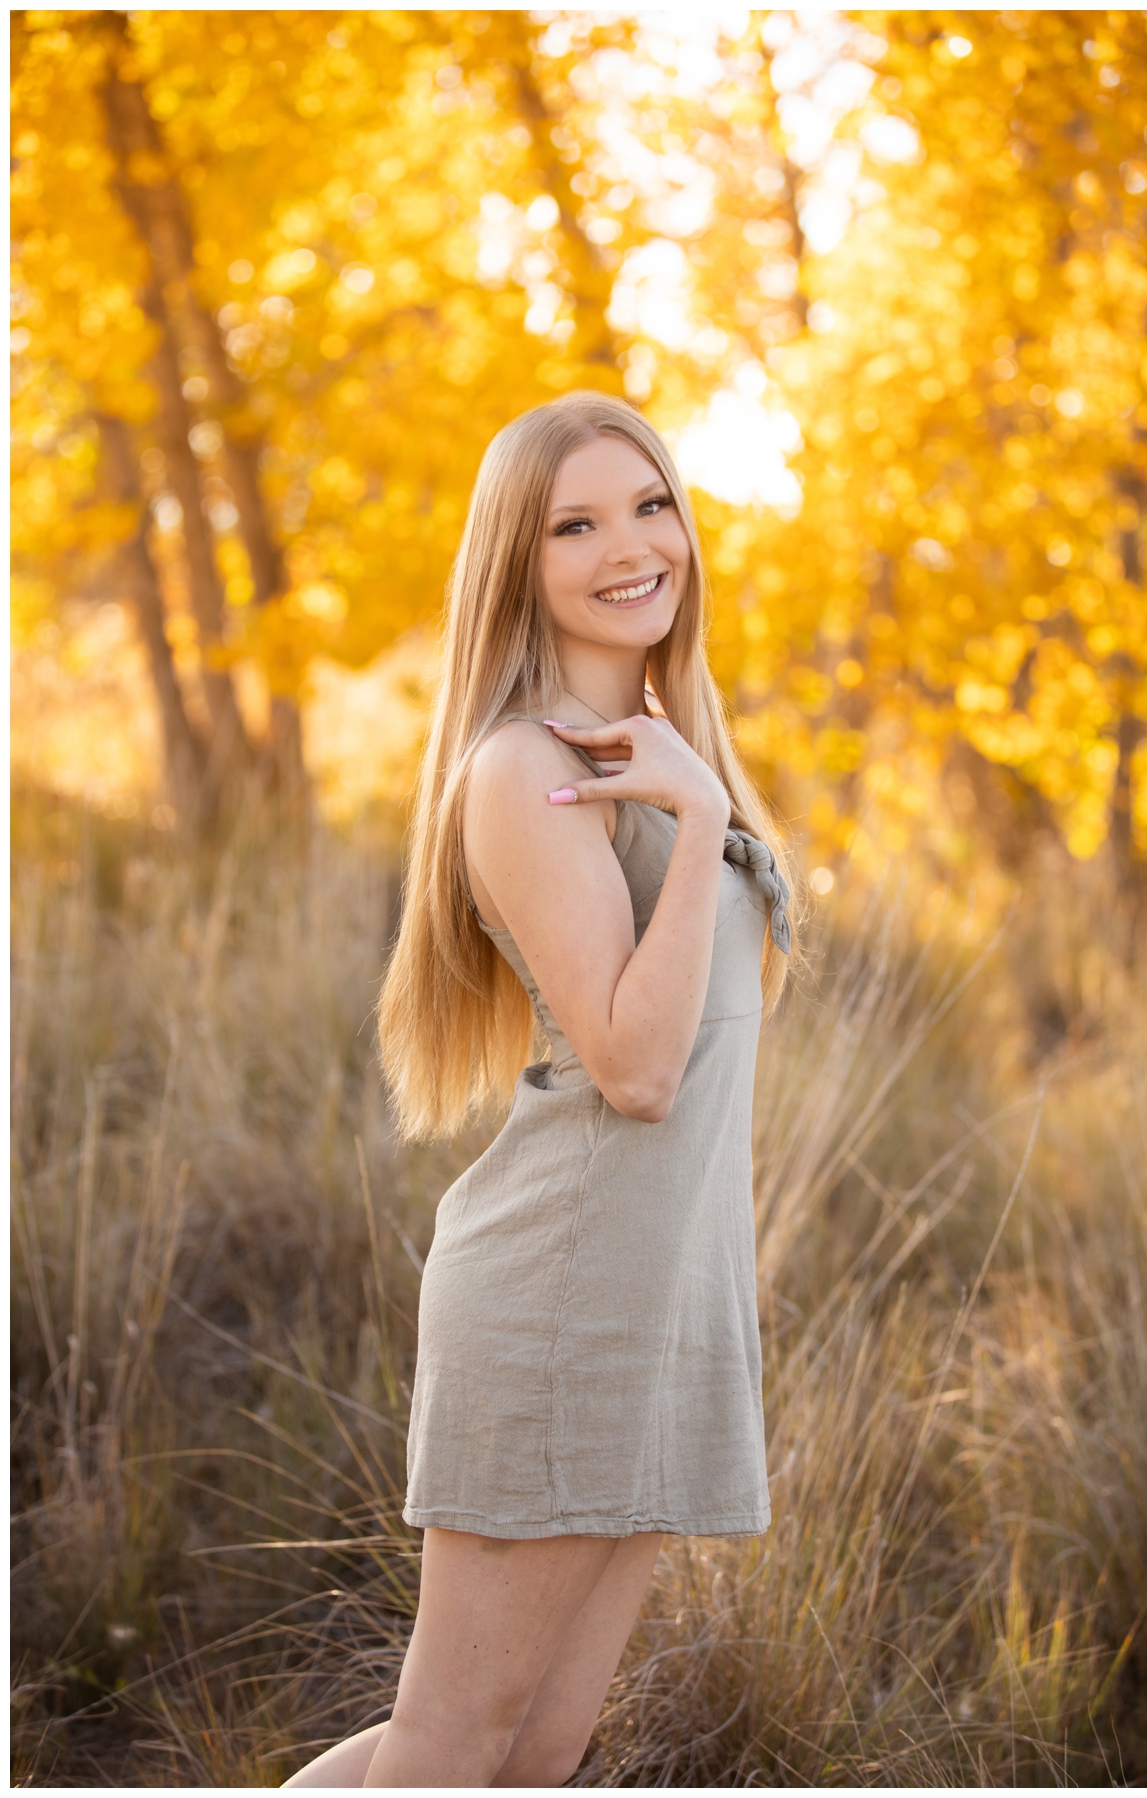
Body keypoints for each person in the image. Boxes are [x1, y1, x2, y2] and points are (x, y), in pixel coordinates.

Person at [285, 392, 796, 1785]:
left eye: (649, 505)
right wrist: (697, 823)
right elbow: (636, 1067)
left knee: (536, 1747)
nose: (631, 545)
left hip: (664, 1298)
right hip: (562, 1300)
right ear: (521, 559)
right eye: (576, 522)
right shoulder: (524, 771)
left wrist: (690, 792)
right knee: (454, 1740)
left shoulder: (652, 740)